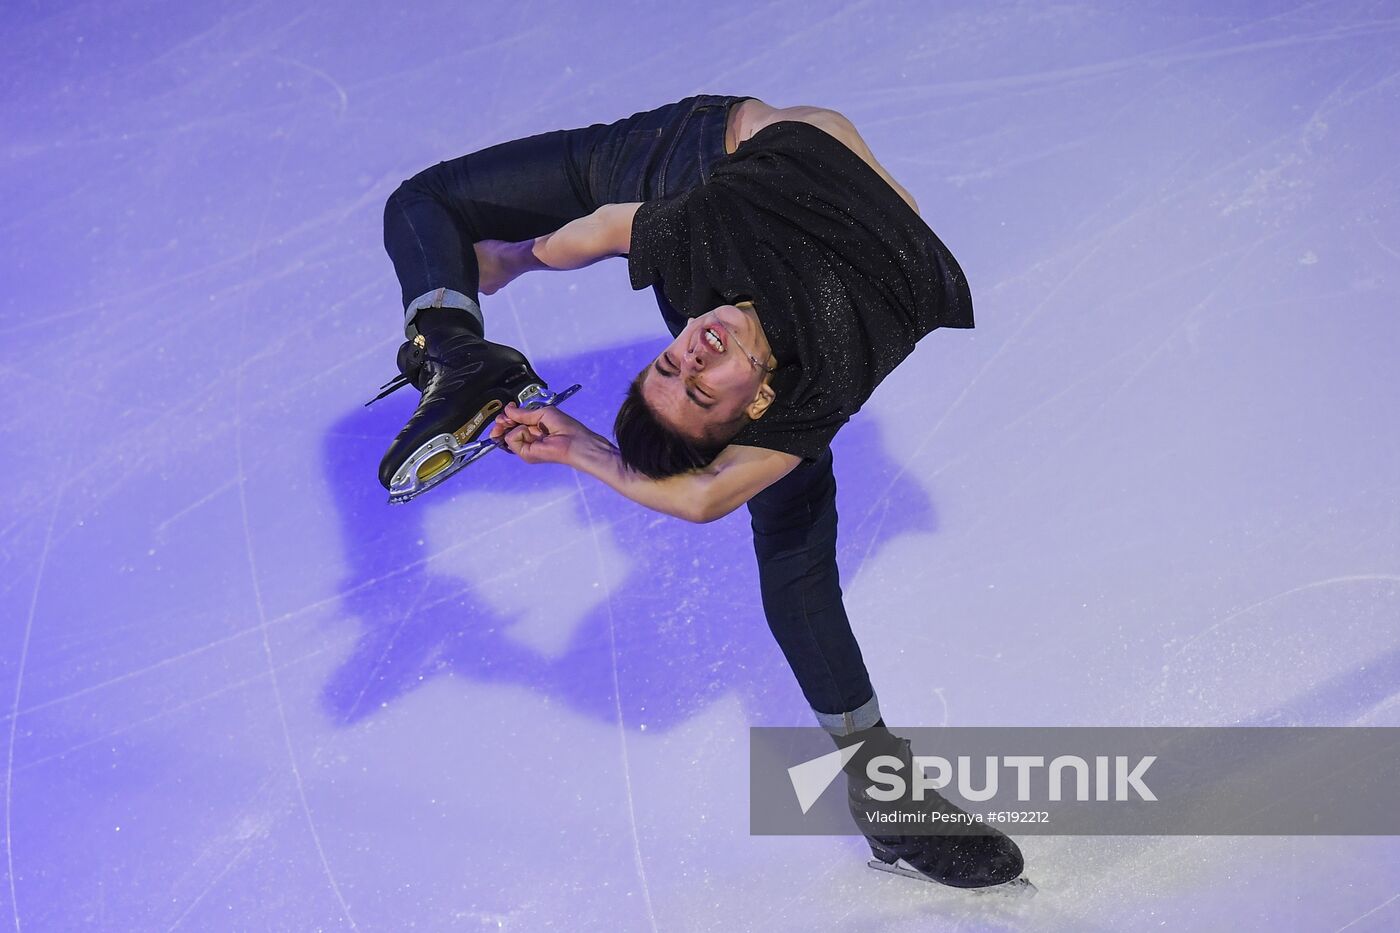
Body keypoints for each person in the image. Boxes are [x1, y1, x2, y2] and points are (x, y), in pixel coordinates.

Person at [372, 95, 1024, 889]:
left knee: (424, 206)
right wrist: (584, 439)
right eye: (691, 372)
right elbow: (708, 491)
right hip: (755, 174)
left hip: (694, 156)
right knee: (422, 205)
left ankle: (884, 795)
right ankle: (458, 355)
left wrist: (525, 267)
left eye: (673, 364)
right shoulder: (820, 366)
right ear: (758, 405)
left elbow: (619, 228)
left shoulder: (706, 258)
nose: (692, 347)